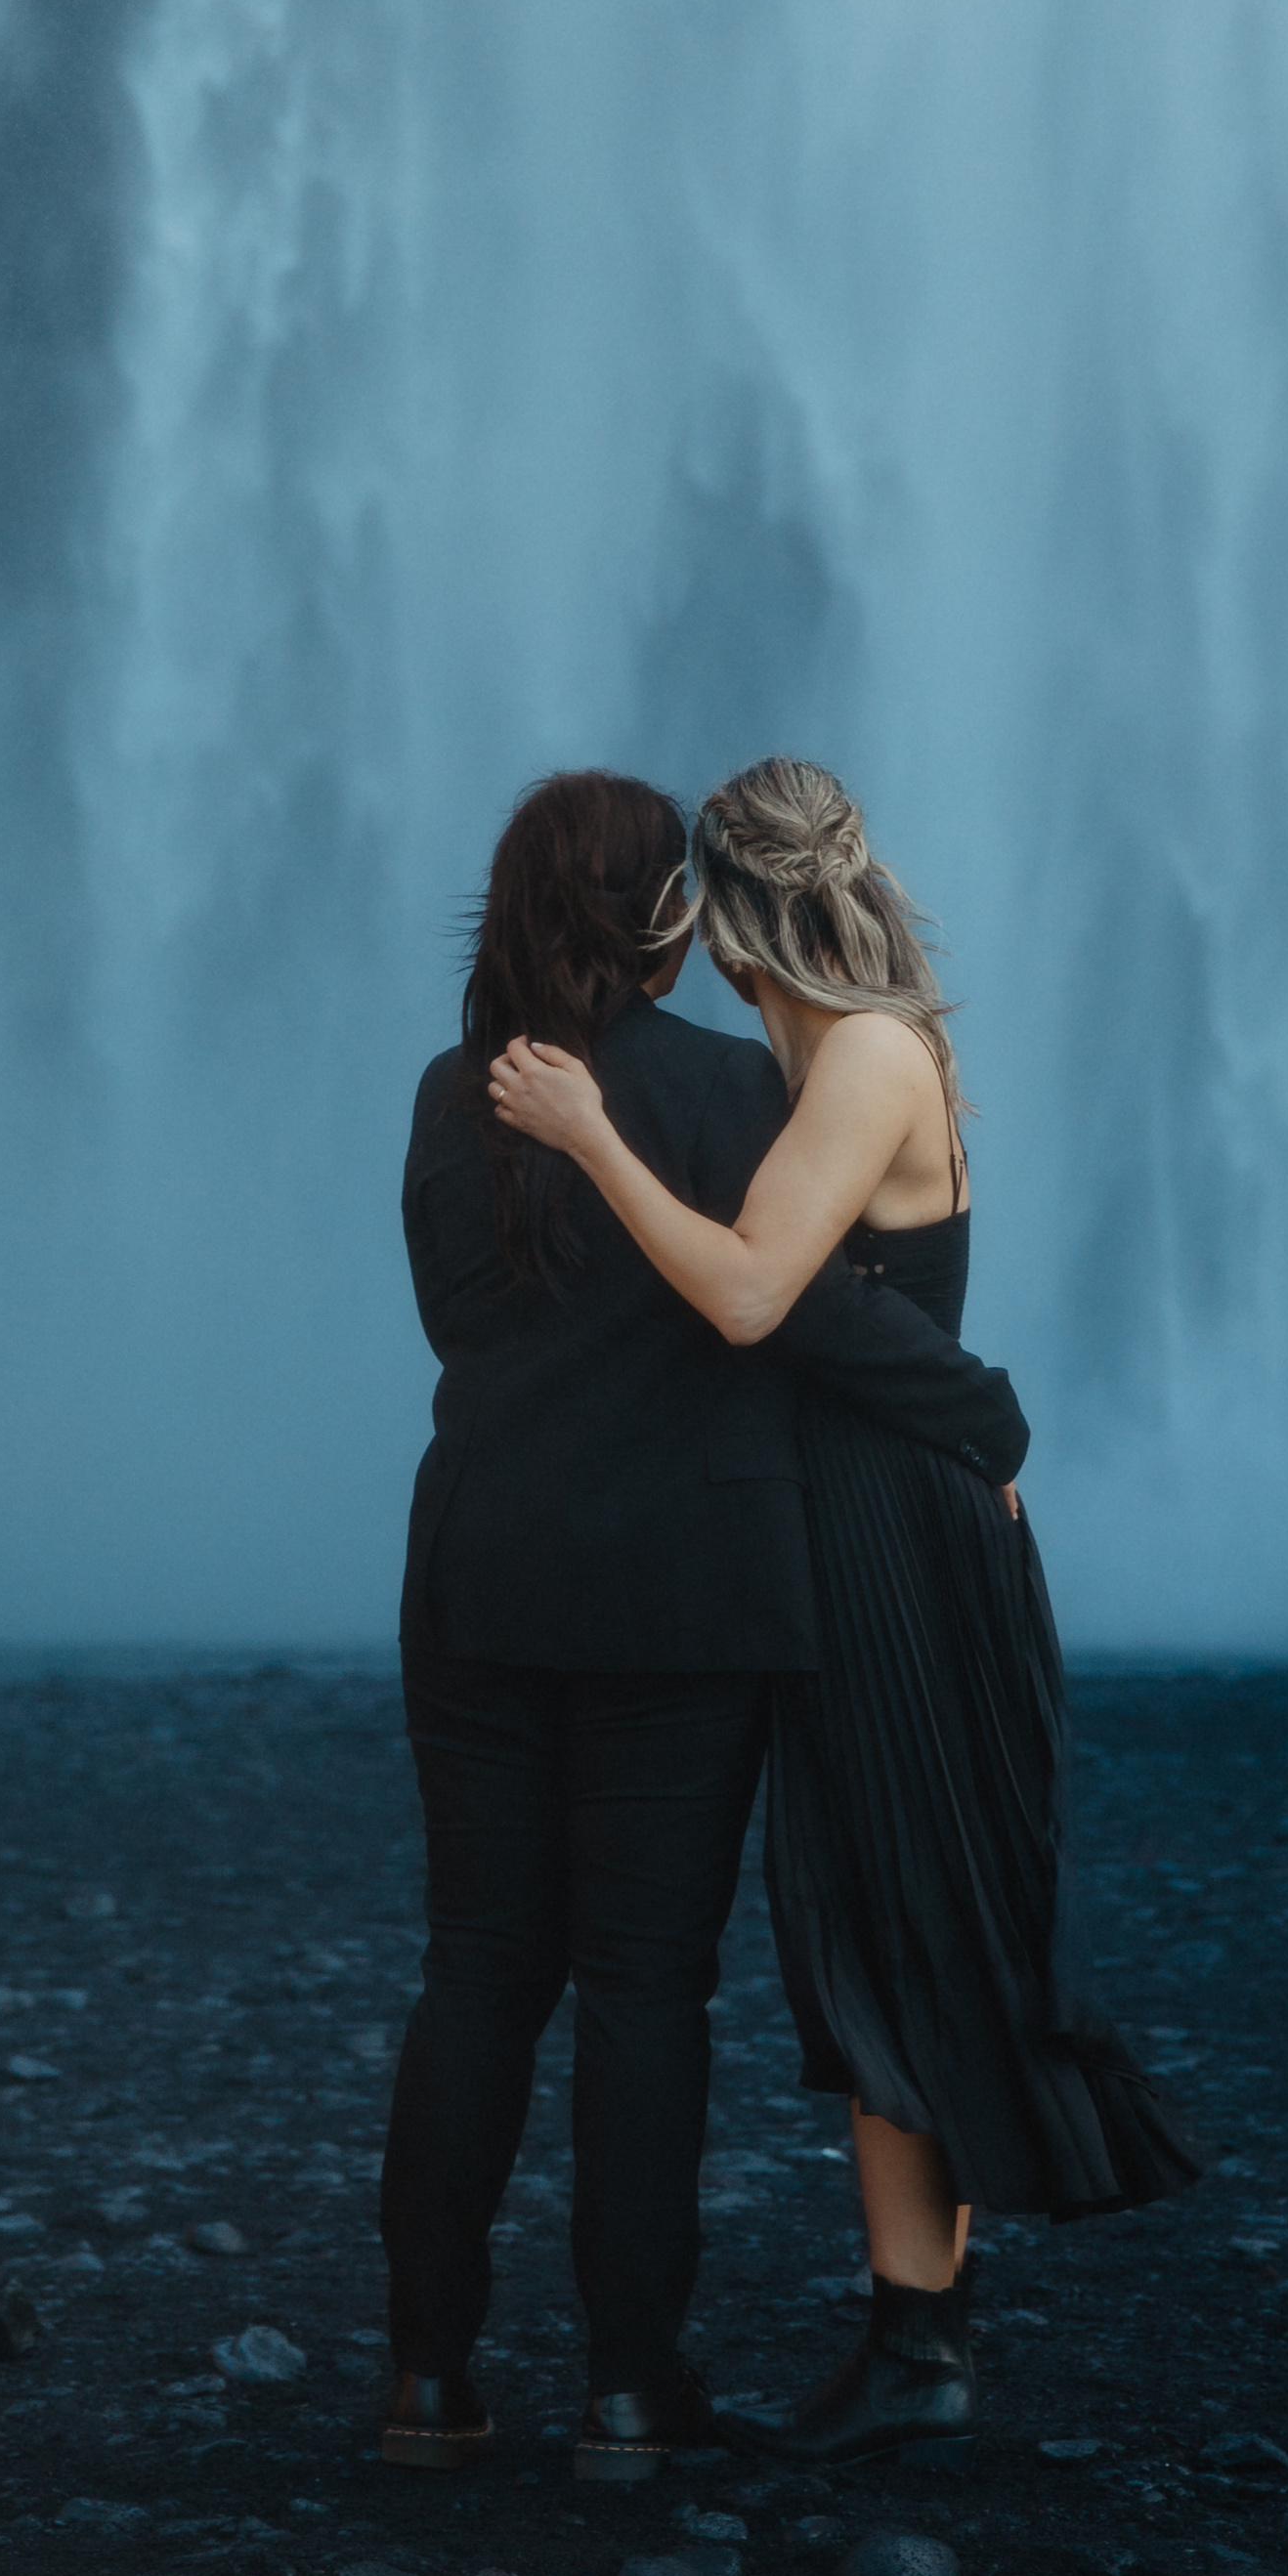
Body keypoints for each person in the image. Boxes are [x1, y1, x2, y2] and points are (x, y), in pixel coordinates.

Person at [488, 755, 1204, 2469]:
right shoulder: (833, 1051)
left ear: (730, 918)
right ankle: (915, 2338)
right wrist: (978, 1410)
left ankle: (923, 2346)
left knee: (909, 1910)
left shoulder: (869, 1055)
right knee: (875, 1919)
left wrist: (587, 1131)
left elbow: (750, 1294)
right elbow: (839, 1318)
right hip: (870, 1520)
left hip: (901, 1542)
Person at [379, 768, 1034, 2483]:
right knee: (647, 1992)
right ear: (675, 920)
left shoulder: (460, 1097)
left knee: (474, 1973)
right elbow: (793, 1312)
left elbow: (462, 1316)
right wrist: (984, 1416)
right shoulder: (747, 1089)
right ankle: (629, 2388)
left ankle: (431, 2384)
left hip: (480, 1580)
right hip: (683, 1600)